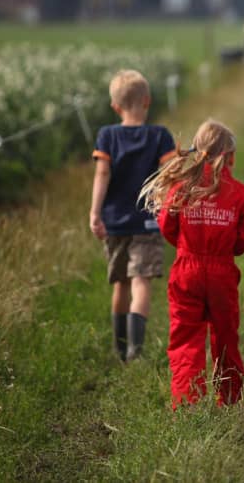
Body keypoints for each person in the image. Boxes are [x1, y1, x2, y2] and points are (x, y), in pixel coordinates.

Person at [140, 119, 244, 408]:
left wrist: (187, 246)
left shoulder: (181, 188)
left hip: (186, 270)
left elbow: (167, 227)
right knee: (226, 336)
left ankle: (187, 404)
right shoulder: (241, 194)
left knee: (185, 339)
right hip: (221, 272)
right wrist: (225, 250)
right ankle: (228, 399)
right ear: (229, 156)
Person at [90, 69, 176, 362]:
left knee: (121, 284)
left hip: (114, 222)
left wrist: (95, 213)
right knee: (141, 283)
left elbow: (102, 173)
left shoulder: (106, 136)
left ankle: (119, 348)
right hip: (147, 222)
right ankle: (135, 351)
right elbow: (169, 173)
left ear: (115, 107)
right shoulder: (160, 135)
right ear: (147, 101)